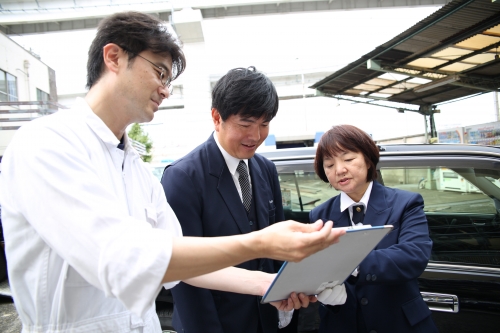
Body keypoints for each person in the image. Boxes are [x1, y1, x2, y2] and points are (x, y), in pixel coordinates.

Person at [0, 12, 345, 333]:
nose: (166, 89)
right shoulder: (46, 144)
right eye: (160, 72)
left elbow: (183, 259)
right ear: (114, 57)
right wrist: (261, 242)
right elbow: (123, 259)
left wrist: (266, 285)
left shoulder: (134, 168)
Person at [162, 67, 306, 333]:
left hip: (268, 318)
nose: (255, 136)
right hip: (219, 323)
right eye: (245, 124)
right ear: (217, 118)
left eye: (264, 125)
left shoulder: (265, 169)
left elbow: (275, 254)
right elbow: (182, 273)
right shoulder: (183, 178)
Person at [309, 124, 438, 333]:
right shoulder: (319, 215)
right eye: (329, 164)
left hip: (401, 324)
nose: (339, 170)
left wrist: (351, 263)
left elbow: (414, 255)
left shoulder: (405, 203)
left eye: (348, 159)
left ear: (368, 160)